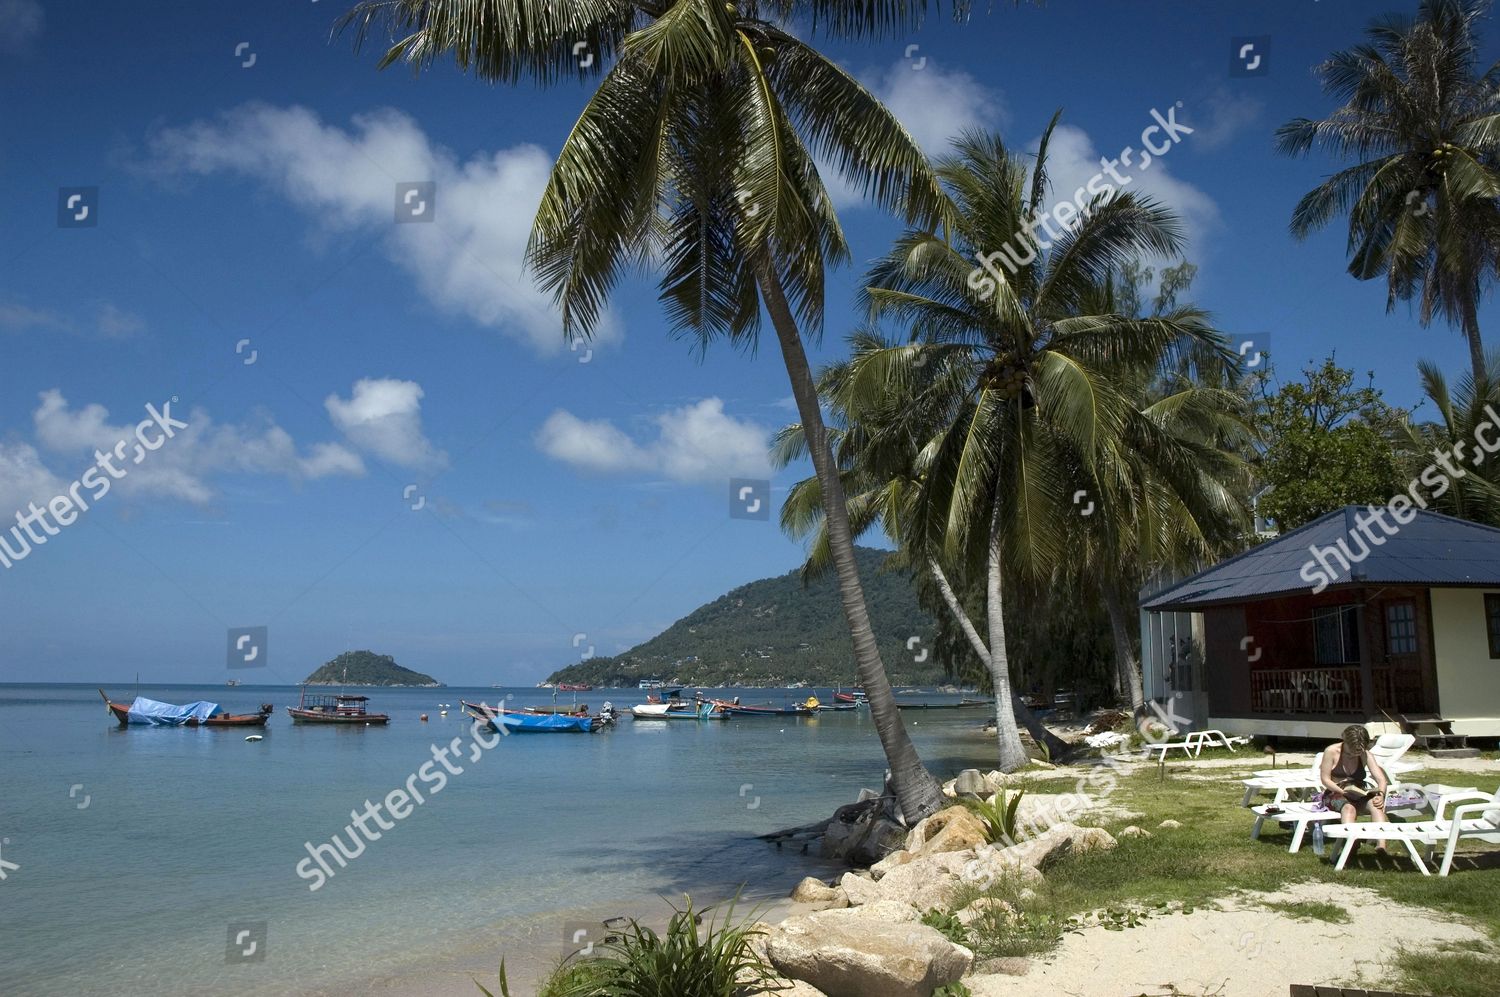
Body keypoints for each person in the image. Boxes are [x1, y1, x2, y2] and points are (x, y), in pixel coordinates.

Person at [1319, 724, 1390, 853]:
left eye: (1359, 751)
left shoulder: (1365, 754)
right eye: (1352, 751)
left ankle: (1381, 845)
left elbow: (1381, 779)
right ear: (1345, 742)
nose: (1355, 754)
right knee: (1348, 808)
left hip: (1358, 793)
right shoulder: (1331, 751)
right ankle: (1352, 843)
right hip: (1335, 792)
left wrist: (1380, 794)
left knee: (1376, 805)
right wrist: (1341, 791)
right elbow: (1325, 779)